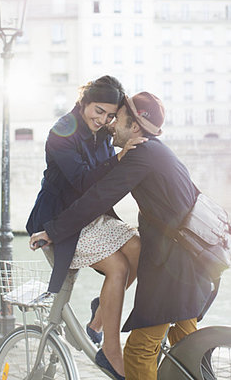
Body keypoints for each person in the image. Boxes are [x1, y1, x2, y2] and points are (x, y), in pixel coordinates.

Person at [30, 91, 215, 380]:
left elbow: (97, 197)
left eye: (118, 119)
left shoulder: (141, 155)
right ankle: (101, 314)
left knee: (138, 353)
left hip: (173, 270)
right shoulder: (157, 151)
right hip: (194, 265)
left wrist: (53, 230)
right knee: (187, 349)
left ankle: (102, 323)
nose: (111, 124)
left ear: (136, 127)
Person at [26, 75, 145, 380]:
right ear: (84, 102)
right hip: (61, 219)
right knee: (118, 268)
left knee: (139, 250)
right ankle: (111, 351)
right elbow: (81, 180)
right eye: (98, 110)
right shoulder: (61, 132)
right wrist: (119, 156)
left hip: (90, 214)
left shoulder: (103, 131)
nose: (103, 119)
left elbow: (104, 183)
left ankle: (97, 319)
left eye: (110, 115)